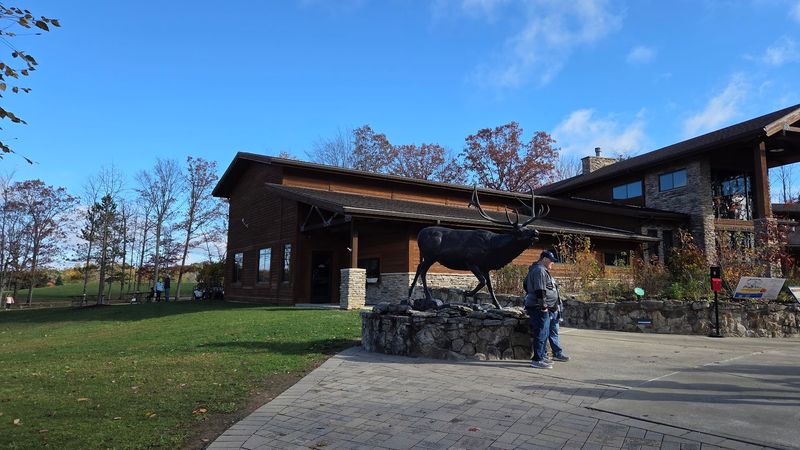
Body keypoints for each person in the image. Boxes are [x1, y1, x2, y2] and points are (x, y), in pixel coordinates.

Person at [524, 250, 569, 369]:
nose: (552, 263)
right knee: (540, 333)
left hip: (542, 307)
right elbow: (540, 290)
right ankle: (537, 359)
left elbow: (525, 285)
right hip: (539, 308)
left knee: (544, 333)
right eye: (551, 260)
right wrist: (543, 306)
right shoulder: (539, 270)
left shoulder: (538, 269)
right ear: (544, 258)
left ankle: (542, 356)